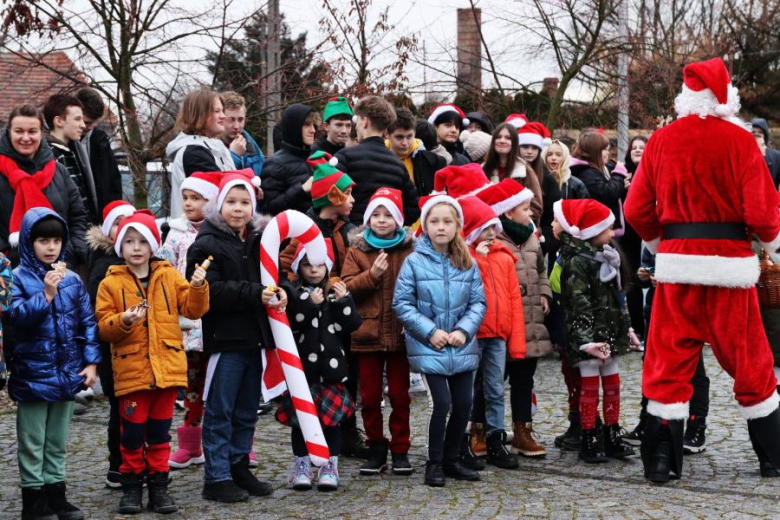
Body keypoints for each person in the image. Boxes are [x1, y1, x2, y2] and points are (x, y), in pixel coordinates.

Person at [624, 57, 780, 482]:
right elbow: (763, 212)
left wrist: (662, 244)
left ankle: (660, 461)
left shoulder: (660, 140)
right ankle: (773, 455)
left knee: (668, 363)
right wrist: (772, 245)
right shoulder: (741, 141)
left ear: (686, 95)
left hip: (676, 271)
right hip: (730, 270)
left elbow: (636, 207)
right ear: (726, 97)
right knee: (751, 361)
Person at [95, 209, 209, 515]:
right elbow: (104, 327)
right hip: (132, 373)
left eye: (142, 242)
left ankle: (159, 487)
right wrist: (124, 320)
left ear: (152, 246)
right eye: (129, 241)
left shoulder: (169, 275)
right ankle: (131, 487)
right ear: (120, 247)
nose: (135, 248)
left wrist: (198, 285)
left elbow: (193, 309)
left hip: (167, 371)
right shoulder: (110, 283)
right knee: (131, 435)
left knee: (159, 434)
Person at [186, 170, 282, 503]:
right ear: (219, 204)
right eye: (231, 201)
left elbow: (273, 277)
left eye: (245, 202)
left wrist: (279, 293)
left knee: (246, 410)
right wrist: (254, 293)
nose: (238, 208)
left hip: (254, 338)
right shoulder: (206, 244)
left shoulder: (259, 241)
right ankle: (217, 475)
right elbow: (209, 290)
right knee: (220, 409)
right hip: (225, 340)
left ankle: (239, 463)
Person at [8, 208, 100, 520]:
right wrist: (46, 294)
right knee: (33, 441)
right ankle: (33, 500)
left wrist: (91, 363)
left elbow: (88, 324)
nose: (51, 247)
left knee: (57, 441)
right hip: (33, 374)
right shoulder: (18, 278)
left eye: (56, 240)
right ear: (28, 243)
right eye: (43, 240)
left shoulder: (73, 280)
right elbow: (16, 321)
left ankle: (56, 494)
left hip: (66, 373)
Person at [393, 194, 487, 487]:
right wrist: (430, 331)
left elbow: (478, 303)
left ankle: (452, 459)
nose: (441, 227)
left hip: (460, 344)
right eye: (434, 221)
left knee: (464, 403)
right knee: (442, 403)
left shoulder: (467, 261)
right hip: (429, 345)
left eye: (447, 221)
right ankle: (434, 462)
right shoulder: (414, 262)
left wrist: (464, 330)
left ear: (458, 225)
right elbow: (403, 303)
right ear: (425, 225)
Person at [277, 152, 367, 457]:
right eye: (349, 193)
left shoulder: (346, 228)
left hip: (339, 309)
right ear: (333, 195)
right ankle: (311, 438)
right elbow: (286, 265)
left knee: (345, 374)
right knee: (314, 378)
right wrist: (302, 291)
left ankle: (345, 429)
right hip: (313, 312)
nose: (353, 199)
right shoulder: (306, 228)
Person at [554, 199, 635, 464]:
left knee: (612, 382)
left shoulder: (607, 257)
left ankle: (611, 432)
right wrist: (586, 340)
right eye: (608, 228)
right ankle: (588, 435)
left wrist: (627, 328)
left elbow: (618, 298)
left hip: (609, 330)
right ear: (592, 230)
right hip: (588, 335)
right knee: (589, 384)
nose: (612, 234)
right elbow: (579, 304)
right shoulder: (578, 262)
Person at [341, 188, 416, 476]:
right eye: (376, 214)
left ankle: (400, 448)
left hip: (400, 333)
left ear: (398, 219)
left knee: (400, 396)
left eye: (388, 215)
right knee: (370, 397)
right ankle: (375, 447)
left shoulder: (410, 249)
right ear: (367, 218)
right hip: (367, 333)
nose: (381, 220)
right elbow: (346, 287)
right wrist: (372, 276)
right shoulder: (357, 250)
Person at [279, 239, 362, 491]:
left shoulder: (335, 293)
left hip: (332, 372)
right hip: (302, 373)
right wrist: (308, 303)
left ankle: (329, 465)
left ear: (327, 267)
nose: (314, 270)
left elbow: (352, 325)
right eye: (307, 265)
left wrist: (344, 300)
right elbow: (292, 323)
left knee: (332, 422)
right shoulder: (294, 294)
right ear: (299, 268)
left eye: (319, 265)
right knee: (300, 423)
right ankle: (302, 465)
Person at [480, 180, 552, 459]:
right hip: (502, 320)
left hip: (531, 320)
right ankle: (481, 430)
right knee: (491, 380)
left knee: (524, 379)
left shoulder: (532, 237)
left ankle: (522, 431)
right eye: (525, 208)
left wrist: (544, 292)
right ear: (508, 213)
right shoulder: (494, 239)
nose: (531, 213)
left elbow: (541, 269)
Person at [158, 171, 221, 471]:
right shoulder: (176, 232)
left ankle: (238, 443)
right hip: (188, 323)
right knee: (192, 384)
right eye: (185, 198)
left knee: (223, 383)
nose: (189, 203)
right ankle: (190, 444)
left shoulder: (220, 232)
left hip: (218, 321)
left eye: (196, 198)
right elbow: (163, 267)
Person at [460, 195, 523, 470]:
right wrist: (481, 259)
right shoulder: (465, 258)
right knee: (466, 392)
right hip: (472, 334)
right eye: (484, 228)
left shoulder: (504, 258)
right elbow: (469, 289)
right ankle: (461, 443)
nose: (490, 234)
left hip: (497, 334)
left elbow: (513, 299)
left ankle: (497, 441)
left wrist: (516, 341)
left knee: (496, 389)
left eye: (492, 228)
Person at [85, 199, 136, 489]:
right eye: (117, 223)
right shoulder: (104, 264)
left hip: (141, 347)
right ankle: (118, 463)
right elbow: (97, 311)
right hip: (113, 348)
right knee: (121, 407)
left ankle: (139, 459)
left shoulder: (143, 258)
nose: (124, 228)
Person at [0, 104, 89, 268]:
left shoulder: (59, 172)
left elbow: (78, 216)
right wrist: (7, 257)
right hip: (9, 273)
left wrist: (73, 251)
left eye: (32, 131)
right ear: (9, 132)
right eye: (19, 131)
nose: (26, 138)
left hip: (59, 268)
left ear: (41, 134)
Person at [334, 96, 420, 226]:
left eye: (357, 120)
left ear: (365, 121)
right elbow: (413, 209)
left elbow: (331, 197)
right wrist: (391, 228)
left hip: (351, 236)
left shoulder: (345, 157)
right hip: (385, 239)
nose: (356, 126)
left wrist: (346, 226)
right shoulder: (397, 165)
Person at [166, 90, 235, 218]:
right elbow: (226, 193)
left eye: (222, 111)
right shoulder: (194, 153)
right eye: (217, 111)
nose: (223, 116)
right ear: (200, 114)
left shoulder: (213, 147)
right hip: (196, 234)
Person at [43, 94, 101, 226]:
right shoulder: (51, 157)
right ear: (59, 121)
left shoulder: (68, 152)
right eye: (77, 119)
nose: (83, 125)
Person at [262, 103, 320, 215]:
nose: (313, 130)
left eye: (313, 125)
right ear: (294, 128)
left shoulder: (315, 157)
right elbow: (267, 209)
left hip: (316, 229)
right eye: (307, 125)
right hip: (289, 230)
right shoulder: (275, 163)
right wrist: (301, 190)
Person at [481, 123, 543, 225]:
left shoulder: (525, 170)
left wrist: (512, 219)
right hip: (488, 228)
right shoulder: (482, 170)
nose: (502, 140)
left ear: (514, 143)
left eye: (508, 138)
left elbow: (537, 207)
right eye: (498, 137)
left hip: (517, 231)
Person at [74, 87, 124, 216]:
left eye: (94, 122)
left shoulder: (100, 140)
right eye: (86, 122)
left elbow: (114, 182)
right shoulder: (65, 143)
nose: (89, 127)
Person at [570, 131, 629, 236]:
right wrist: (619, 174)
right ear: (595, 152)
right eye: (605, 149)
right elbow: (608, 193)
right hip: (599, 232)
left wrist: (622, 185)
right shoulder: (586, 173)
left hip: (604, 229)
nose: (608, 153)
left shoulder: (598, 169)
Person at [620, 135, 650, 340]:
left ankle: (651, 327)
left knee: (649, 277)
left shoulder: (652, 170)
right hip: (628, 234)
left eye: (642, 147)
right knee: (631, 280)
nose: (638, 150)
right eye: (634, 147)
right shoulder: (621, 174)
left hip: (649, 232)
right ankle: (638, 328)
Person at [386, 107, 445, 197]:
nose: (405, 143)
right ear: (387, 134)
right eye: (399, 137)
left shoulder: (434, 162)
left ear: (415, 132)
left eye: (409, 136)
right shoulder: (377, 159)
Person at [221, 91, 265, 178]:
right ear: (220, 118)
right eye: (231, 120)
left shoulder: (254, 151)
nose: (236, 126)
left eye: (240, 120)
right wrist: (234, 156)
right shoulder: (209, 147)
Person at [752, 118, 780, 189]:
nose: (757, 135)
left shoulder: (776, 157)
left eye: (760, 132)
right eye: (754, 132)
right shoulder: (741, 157)